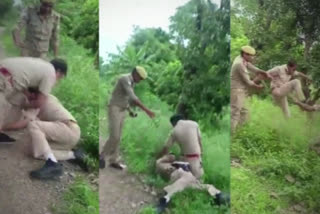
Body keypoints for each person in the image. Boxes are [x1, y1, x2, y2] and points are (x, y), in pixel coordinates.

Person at [2, 88, 87, 179]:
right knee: (35, 149)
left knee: (33, 125)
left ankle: (52, 164)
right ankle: (74, 155)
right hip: (67, 135)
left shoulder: (38, 102)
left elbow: (24, 123)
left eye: (25, 94)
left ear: (33, 94)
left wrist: (2, 127)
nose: (25, 97)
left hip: (68, 129)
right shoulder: (49, 97)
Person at [155, 115, 229, 212]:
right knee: (194, 181)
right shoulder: (194, 124)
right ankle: (216, 193)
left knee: (188, 180)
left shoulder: (174, 130)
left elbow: (166, 148)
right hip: (197, 163)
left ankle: (167, 196)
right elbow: (200, 142)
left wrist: (160, 156)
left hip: (185, 165)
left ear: (173, 123)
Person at [99, 66, 155, 170]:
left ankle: (114, 160)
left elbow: (125, 98)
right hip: (114, 108)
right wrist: (147, 111)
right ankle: (102, 156)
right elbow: (133, 97)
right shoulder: (124, 79)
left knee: (118, 138)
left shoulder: (132, 82)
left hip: (123, 110)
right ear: (136, 74)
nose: (141, 81)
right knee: (114, 136)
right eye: (141, 78)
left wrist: (130, 111)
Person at [0, 57, 67, 138]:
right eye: (60, 77)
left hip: (3, 68)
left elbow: (22, 80)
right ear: (59, 71)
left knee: (12, 100)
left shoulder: (41, 65)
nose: (58, 80)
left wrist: (27, 95)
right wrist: (28, 105)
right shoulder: (51, 74)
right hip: (5, 79)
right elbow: (39, 103)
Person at [231, 45, 269, 133]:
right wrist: (258, 87)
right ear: (245, 54)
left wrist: (261, 71)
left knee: (245, 112)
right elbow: (248, 82)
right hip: (236, 90)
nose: (253, 57)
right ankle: (232, 135)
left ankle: (239, 133)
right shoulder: (239, 64)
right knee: (235, 114)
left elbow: (251, 66)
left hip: (241, 90)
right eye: (251, 55)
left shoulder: (242, 60)